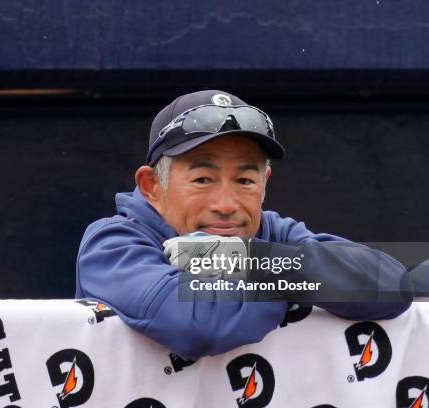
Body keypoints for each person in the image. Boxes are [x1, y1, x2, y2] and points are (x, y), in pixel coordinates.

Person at [75, 90, 410, 360]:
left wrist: (248, 259)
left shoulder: (269, 232)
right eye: (203, 179)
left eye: (245, 180)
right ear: (151, 186)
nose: (226, 205)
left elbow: (394, 284)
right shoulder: (111, 243)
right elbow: (200, 324)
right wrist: (299, 276)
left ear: (265, 183)